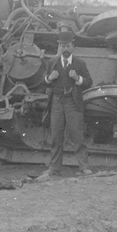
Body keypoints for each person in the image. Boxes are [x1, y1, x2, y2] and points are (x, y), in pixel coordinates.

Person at [37, 29, 93, 181]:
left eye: (68, 46)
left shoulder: (80, 63)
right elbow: (43, 82)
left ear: (72, 46)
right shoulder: (51, 63)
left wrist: (77, 78)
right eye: (62, 46)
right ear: (59, 46)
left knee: (77, 135)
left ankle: (84, 167)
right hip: (56, 102)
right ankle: (54, 168)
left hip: (72, 103)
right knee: (56, 135)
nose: (65, 49)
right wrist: (50, 78)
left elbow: (89, 82)